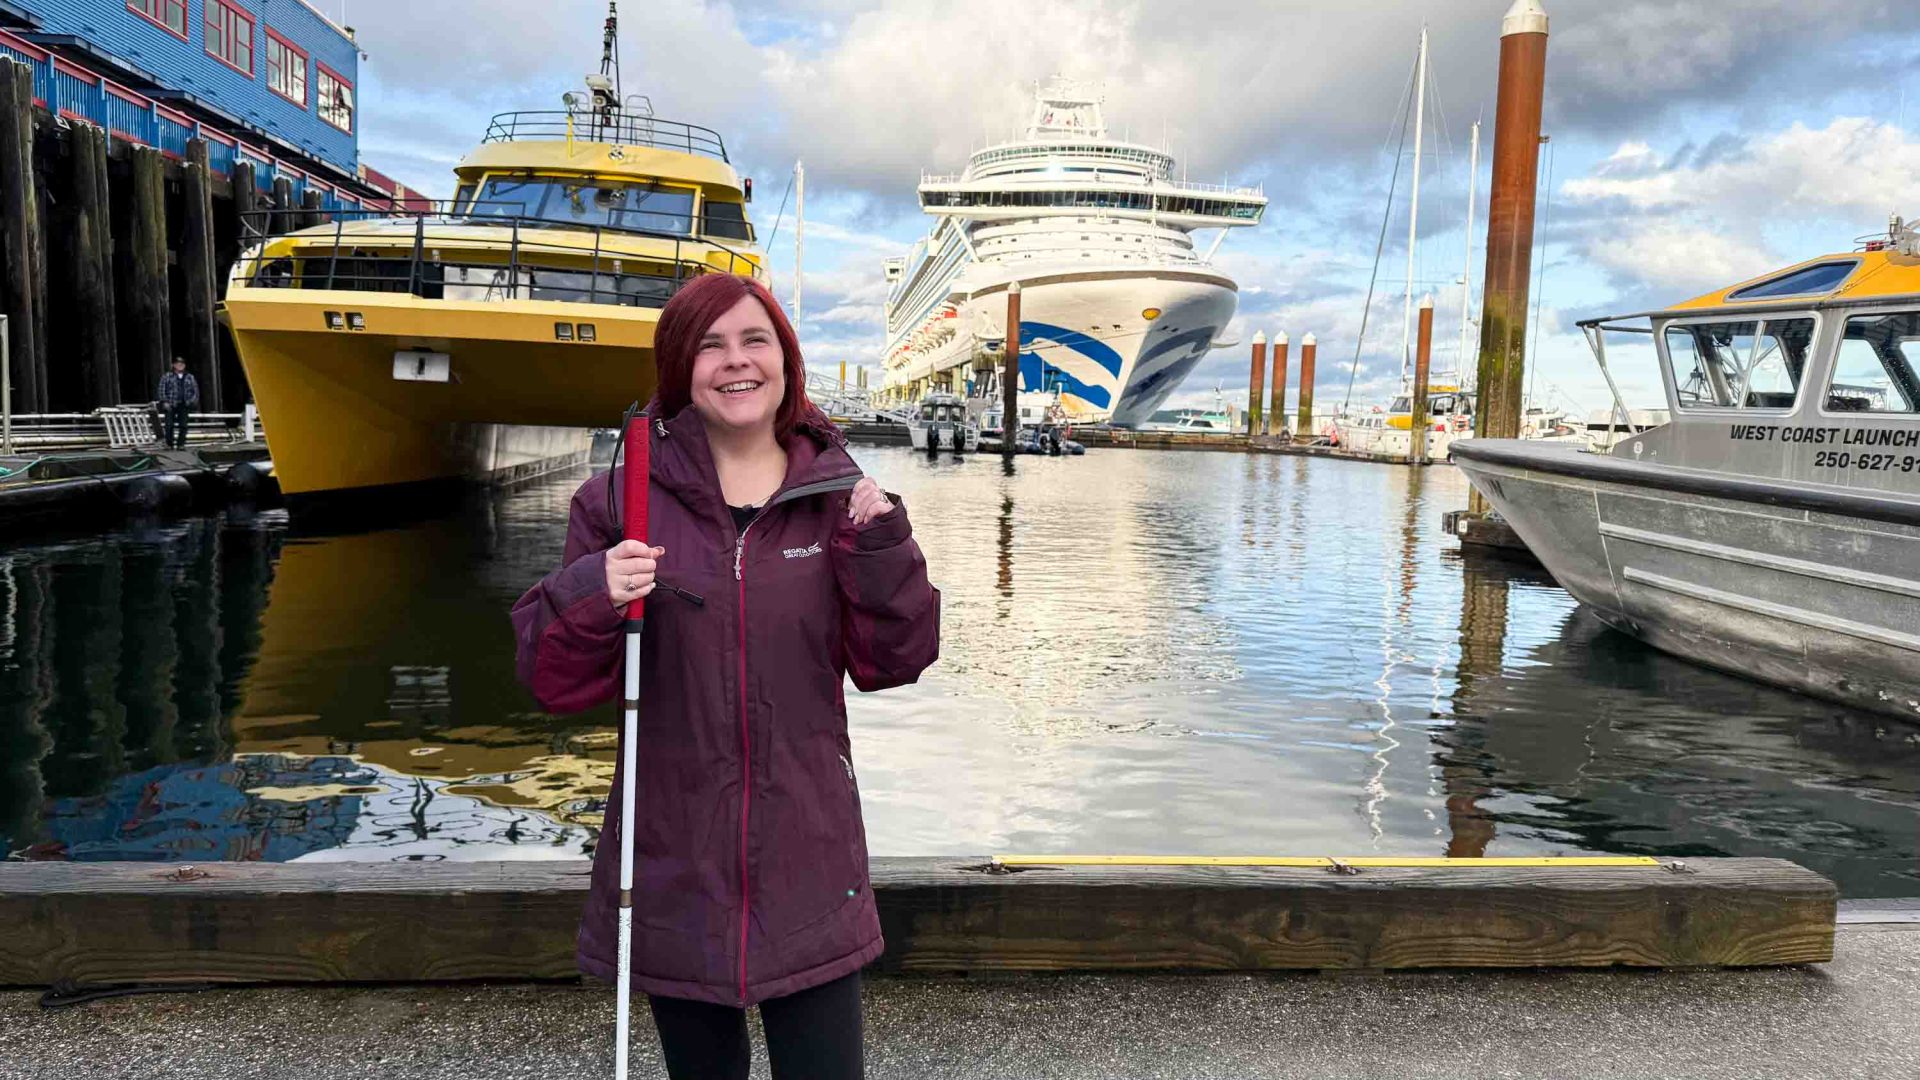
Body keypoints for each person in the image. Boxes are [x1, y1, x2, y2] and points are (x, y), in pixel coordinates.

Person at [511, 273, 940, 1080]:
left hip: (809, 855)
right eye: (710, 345)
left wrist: (884, 549)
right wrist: (591, 591)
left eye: (754, 340)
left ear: (786, 359)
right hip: (674, 859)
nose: (735, 361)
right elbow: (553, 681)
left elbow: (896, 660)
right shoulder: (618, 503)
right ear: (680, 367)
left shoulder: (837, 499)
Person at [156, 358, 199, 450]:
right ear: (174, 365)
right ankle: (169, 444)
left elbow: (195, 391)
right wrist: (164, 401)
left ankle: (181, 444)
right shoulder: (167, 376)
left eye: (182, 364)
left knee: (183, 425)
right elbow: (161, 390)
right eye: (178, 364)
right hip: (170, 404)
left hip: (184, 404)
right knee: (169, 425)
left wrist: (191, 401)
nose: (180, 365)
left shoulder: (190, 377)